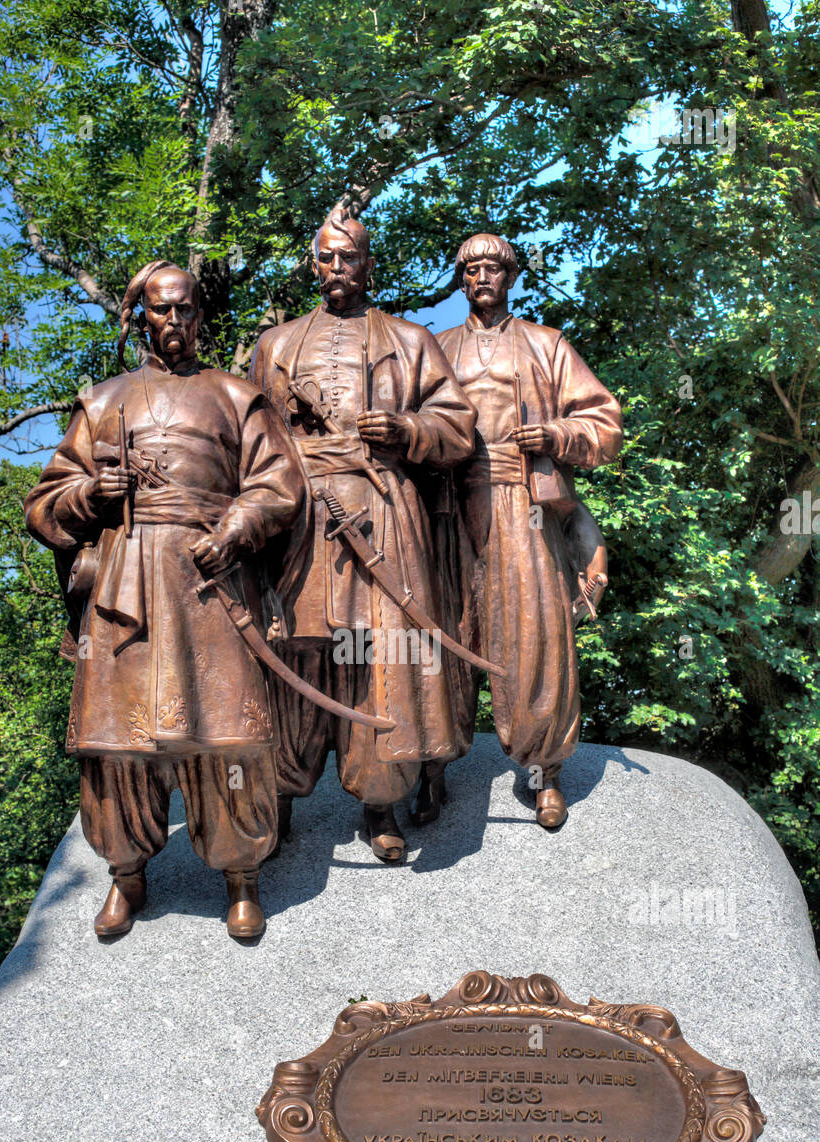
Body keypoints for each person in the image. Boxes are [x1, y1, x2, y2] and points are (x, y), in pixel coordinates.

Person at [24, 260, 306, 939]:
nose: (175, 321)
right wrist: (92, 496)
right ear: (140, 317)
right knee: (117, 743)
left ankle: (241, 875)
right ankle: (126, 874)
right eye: (161, 309)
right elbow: (43, 507)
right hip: (126, 586)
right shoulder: (103, 401)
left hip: (212, 582)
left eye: (186, 308)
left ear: (200, 315)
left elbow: (281, 485)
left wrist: (237, 530)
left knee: (229, 733)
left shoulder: (237, 396)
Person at [249, 208, 477, 862]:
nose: (338, 269)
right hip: (300, 519)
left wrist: (407, 431)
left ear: (370, 264)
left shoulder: (410, 341)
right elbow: (247, 440)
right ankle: (282, 795)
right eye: (327, 257)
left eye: (350, 257)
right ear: (313, 264)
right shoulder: (276, 346)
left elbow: (458, 430)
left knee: (378, 661)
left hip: (382, 512)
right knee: (295, 655)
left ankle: (379, 801)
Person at [427, 233, 622, 828]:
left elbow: (606, 423)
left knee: (535, 634)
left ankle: (545, 772)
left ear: (511, 277)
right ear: (460, 280)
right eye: (471, 270)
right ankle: (430, 768)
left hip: (522, 503)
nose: (482, 278)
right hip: (447, 507)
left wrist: (558, 437)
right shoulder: (433, 349)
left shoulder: (546, 345)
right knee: (440, 633)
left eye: (493, 269)